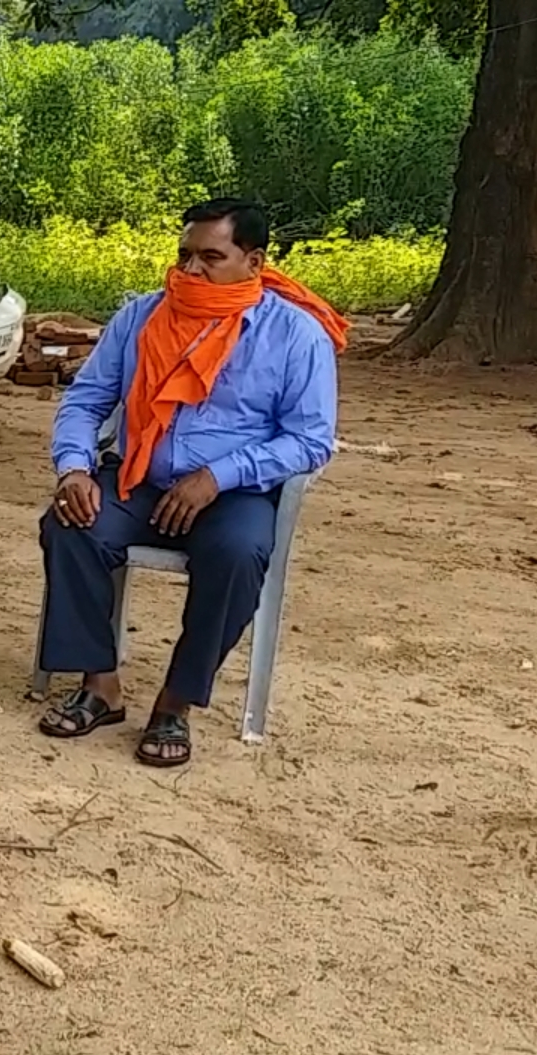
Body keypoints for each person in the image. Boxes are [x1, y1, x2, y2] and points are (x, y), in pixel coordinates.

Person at [36, 198, 344, 767]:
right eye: (185, 256)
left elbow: (310, 440)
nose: (191, 271)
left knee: (239, 553)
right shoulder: (142, 316)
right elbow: (86, 399)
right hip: (140, 476)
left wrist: (219, 476)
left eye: (211, 257)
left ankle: (176, 702)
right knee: (70, 523)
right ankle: (100, 683)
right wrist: (75, 467)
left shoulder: (296, 335)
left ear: (253, 261)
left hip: (234, 493)